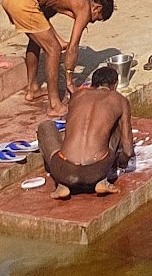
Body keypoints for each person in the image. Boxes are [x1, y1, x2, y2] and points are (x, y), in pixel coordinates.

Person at [1, 0, 115, 113]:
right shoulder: (85, 6)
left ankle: (33, 89)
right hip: (24, 2)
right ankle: (54, 105)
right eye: (96, 19)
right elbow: (73, 48)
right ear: (97, 8)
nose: (90, 22)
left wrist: (59, 40)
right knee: (53, 50)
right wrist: (69, 82)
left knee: (36, 41)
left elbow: (43, 20)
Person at [37, 63, 132, 198]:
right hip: (97, 171)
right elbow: (128, 150)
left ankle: (62, 184)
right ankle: (101, 181)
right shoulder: (120, 100)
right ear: (115, 85)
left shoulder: (78, 95)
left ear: (92, 85)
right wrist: (120, 163)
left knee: (45, 126)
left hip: (64, 170)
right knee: (114, 126)